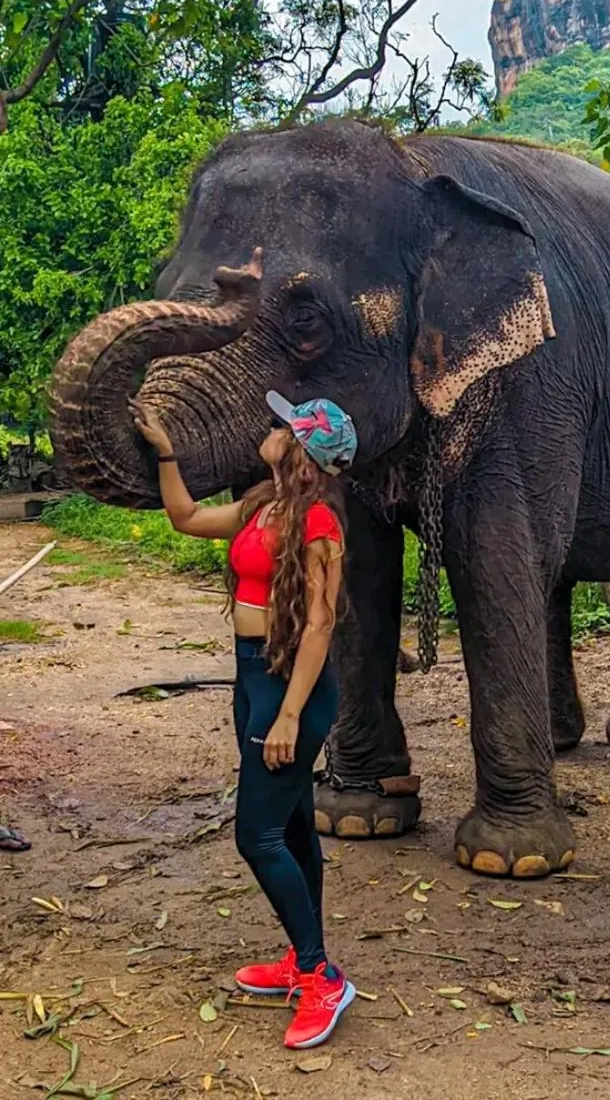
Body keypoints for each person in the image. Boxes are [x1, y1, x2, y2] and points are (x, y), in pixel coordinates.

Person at [130, 390, 358, 1051]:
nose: (272, 429)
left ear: (303, 451)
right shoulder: (263, 504)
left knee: (256, 837)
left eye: (284, 426)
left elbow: (320, 625)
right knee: (292, 825)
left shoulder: (319, 523)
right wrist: (166, 452)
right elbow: (186, 517)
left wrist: (288, 715)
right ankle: (302, 956)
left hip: (291, 691)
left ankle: (321, 977)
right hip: (252, 677)